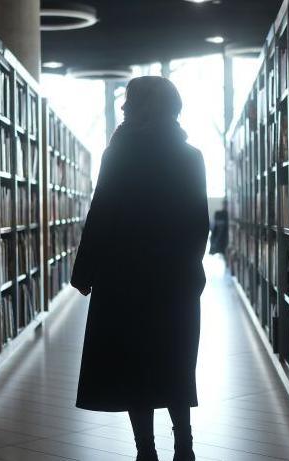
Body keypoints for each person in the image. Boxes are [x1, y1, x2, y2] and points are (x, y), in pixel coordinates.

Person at [70, 76, 209, 461]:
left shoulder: (119, 154)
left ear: (145, 106)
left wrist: (84, 273)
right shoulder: (191, 156)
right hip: (173, 281)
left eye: (130, 101)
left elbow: (101, 215)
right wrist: (190, 273)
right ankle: (185, 447)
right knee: (175, 361)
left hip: (122, 279)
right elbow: (199, 223)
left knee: (133, 366)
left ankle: (145, 451)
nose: (124, 108)